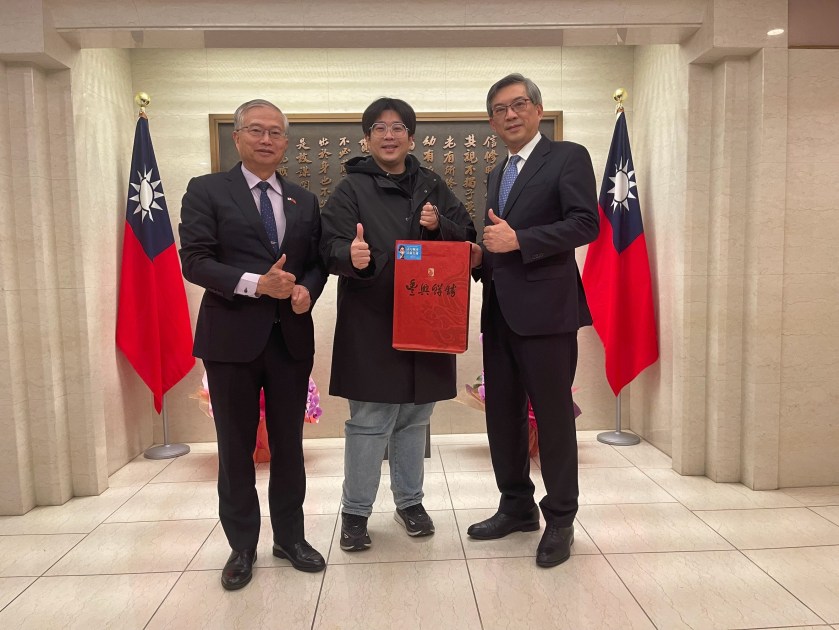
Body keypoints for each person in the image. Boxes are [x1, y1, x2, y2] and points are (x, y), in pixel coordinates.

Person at [179, 99, 328, 590]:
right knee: (235, 448)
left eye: (276, 133)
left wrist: (306, 291)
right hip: (230, 340)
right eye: (256, 130)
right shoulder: (206, 190)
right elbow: (194, 260)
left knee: (289, 447)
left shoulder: (303, 200)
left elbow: (315, 263)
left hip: (289, 340)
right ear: (237, 137)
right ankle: (242, 546)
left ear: (286, 142)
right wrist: (255, 284)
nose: (267, 140)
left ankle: (290, 538)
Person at [321, 97, 477, 552]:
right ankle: (355, 512)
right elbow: (327, 246)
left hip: (427, 320)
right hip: (372, 323)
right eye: (379, 128)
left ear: (411, 137)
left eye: (397, 128)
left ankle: (410, 502)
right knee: (370, 421)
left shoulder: (432, 184)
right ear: (366, 138)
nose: (388, 135)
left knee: (415, 418)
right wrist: (352, 256)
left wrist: (439, 224)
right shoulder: (350, 188)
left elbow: (466, 238)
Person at [467, 74, 599, 567]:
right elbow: (498, 240)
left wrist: (520, 240)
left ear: (538, 110)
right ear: (491, 122)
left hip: (547, 314)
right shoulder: (496, 172)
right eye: (499, 110)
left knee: (553, 417)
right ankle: (516, 506)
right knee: (502, 415)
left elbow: (586, 223)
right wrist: (479, 256)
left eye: (519, 104)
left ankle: (561, 518)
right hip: (500, 312)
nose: (510, 115)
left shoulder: (567, 157)